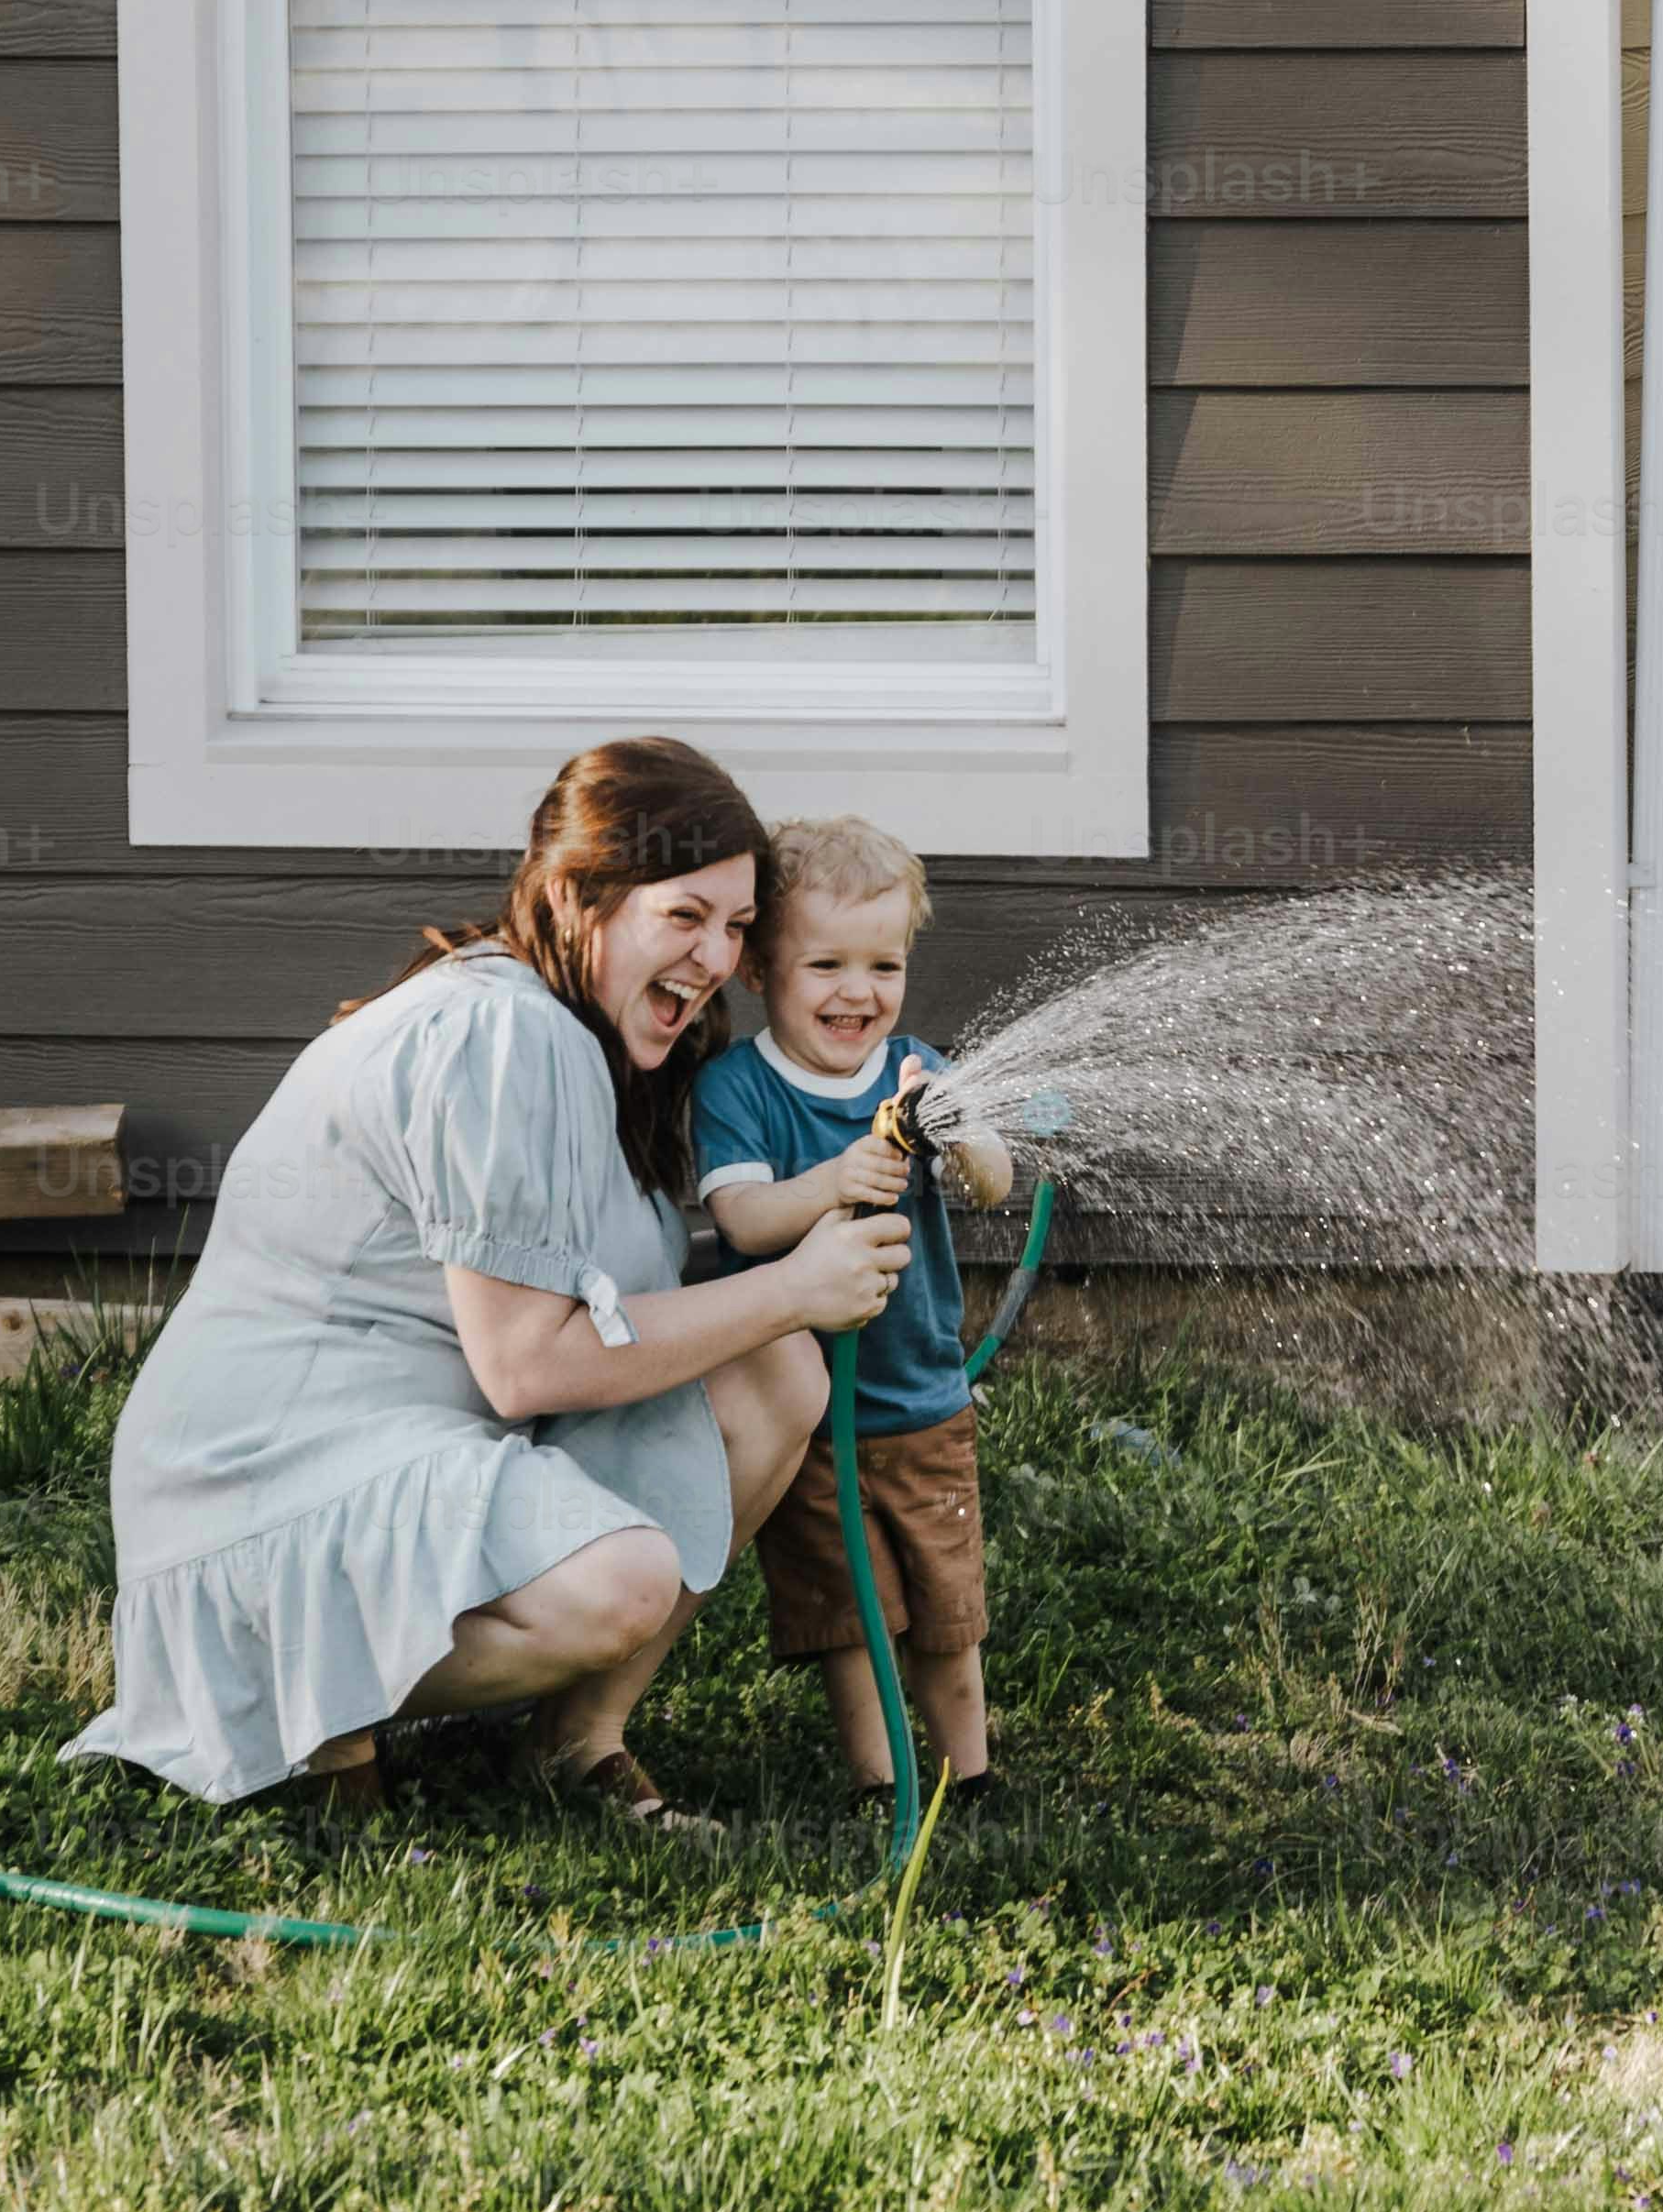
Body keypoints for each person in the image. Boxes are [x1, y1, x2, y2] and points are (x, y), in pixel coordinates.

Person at [68, 741, 909, 1824]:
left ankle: (577, 1743)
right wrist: (795, 1288)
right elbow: (525, 1365)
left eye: (738, 926)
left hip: (412, 1439)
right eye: (685, 914)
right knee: (624, 1578)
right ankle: (297, 1700)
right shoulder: (500, 1032)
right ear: (579, 895)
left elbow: (599, 1310)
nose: (713, 957)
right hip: (264, 1483)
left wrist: (790, 1280)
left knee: (774, 1374)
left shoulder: (586, 1038)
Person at [693, 817, 1017, 1806]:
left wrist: (955, 1129)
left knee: (949, 1615)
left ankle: (973, 1775)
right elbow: (744, 1218)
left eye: (884, 963)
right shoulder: (738, 1087)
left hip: (923, 1401)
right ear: (760, 968)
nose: (857, 991)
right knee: (855, 1617)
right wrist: (834, 1178)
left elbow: (997, 1182)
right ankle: (881, 1785)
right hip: (816, 1422)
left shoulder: (917, 1068)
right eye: (825, 962)